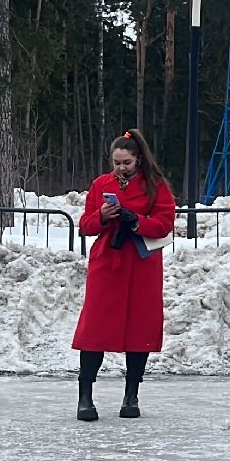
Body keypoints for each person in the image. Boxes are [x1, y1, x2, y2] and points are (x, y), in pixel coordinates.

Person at [73, 130, 176, 420]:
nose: (121, 168)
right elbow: (85, 225)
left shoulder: (156, 185)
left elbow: (165, 223)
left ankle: (131, 396)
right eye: (116, 162)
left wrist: (136, 221)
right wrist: (103, 216)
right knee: (94, 330)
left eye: (126, 162)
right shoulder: (100, 184)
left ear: (138, 159)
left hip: (142, 263)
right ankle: (85, 397)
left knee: (139, 329)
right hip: (108, 261)